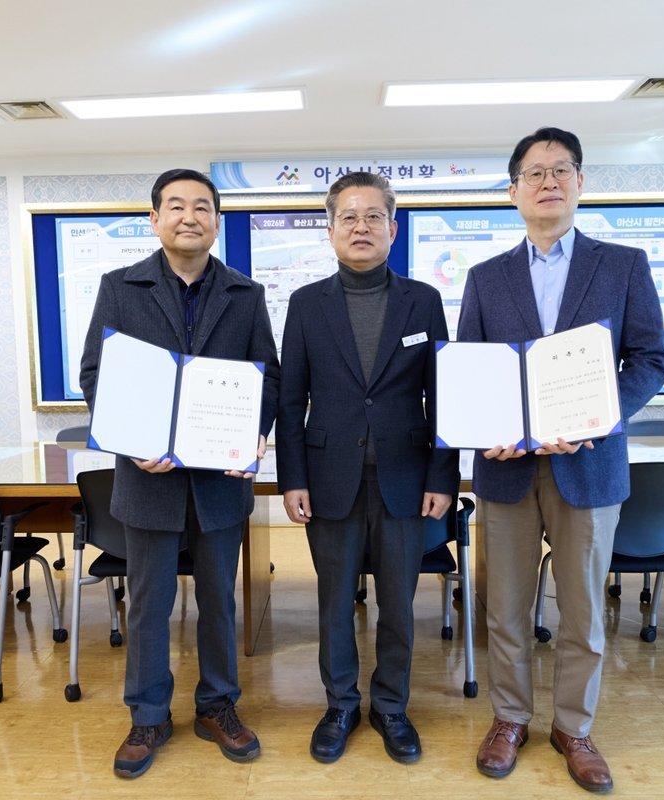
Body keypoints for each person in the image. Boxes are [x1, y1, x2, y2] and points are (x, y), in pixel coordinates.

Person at [457, 128, 664, 793]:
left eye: (561, 170)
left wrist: (597, 417)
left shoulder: (623, 265)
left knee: (581, 611)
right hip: (507, 470)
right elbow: (473, 373)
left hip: (590, 464)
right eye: (534, 173)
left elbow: (650, 359)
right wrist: (485, 429)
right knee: (506, 609)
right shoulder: (486, 277)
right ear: (514, 191)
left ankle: (574, 728)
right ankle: (510, 719)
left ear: (580, 182)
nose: (548, 182)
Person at [79, 168, 279, 779]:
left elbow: (267, 375)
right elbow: (96, 374)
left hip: (219, 481)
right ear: (155, 219)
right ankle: (148, 715)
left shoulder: (245, 293)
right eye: (176, 206)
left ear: (216, 221)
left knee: (219, 600)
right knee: (149, 604)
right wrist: (131, 438)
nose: (189, 216)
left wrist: (252, 430)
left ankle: (217, 705)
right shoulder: (120, 287)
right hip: (148, 479)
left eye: (201, 207)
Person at [277, 171, 459, 765]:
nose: (362, 227)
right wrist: (292, 477)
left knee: (399, 605)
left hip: (405, 480)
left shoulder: (422, 301)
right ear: (331, 230)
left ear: (392, 229)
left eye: (374, 216)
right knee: (334, 602)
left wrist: (442, 476)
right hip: (329, 479)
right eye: (349, 217)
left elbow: (444, 396)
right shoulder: (306, 304)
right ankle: (340, 706)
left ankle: (391, 707)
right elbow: (291, 399)